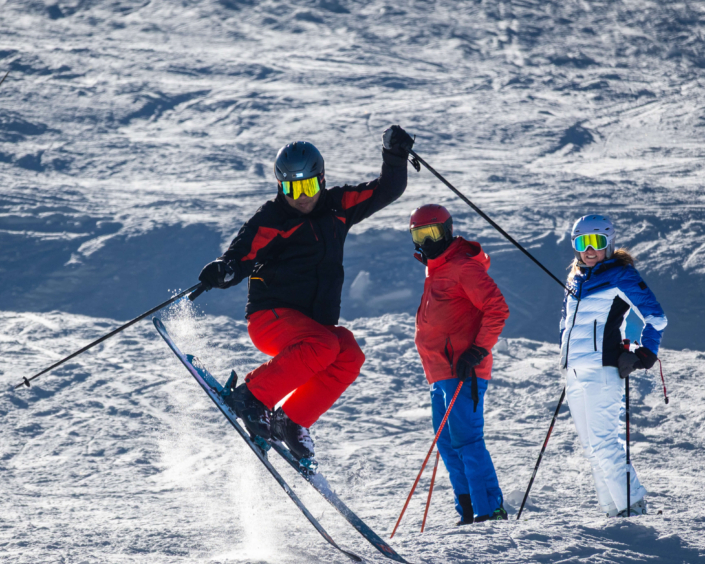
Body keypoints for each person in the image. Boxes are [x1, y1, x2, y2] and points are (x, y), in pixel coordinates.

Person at [197, 126, 414, 466]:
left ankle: (291, 420)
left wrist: (396, 155)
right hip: (272, 319)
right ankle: (252, 396)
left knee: (348, 352)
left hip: (313, 329)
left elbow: (387, 189)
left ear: (322, 180)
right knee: (325, 345)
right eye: (291, 188)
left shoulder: (337, 207)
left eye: (308, 186)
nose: (301, 196)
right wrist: (224, 270)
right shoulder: (273, 218)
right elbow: (241, 255)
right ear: (280, 186)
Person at [560, 214, 667, 517]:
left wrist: (644, 355)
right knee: (592, 449)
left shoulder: (620, 275)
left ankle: (632, 506)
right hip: (576, 373)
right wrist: (567, 356)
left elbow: (656, 317)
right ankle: (614, 511)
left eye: (597, 242)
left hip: (603, 371)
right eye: (583, 242)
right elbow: (567, 324)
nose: (590, 249)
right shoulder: (576, 280)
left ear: (609, 243)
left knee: (605, 444)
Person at [411, 204, 510, 524]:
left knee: (467, 440)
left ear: (448, 231)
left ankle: (489, 508)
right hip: (439, 374)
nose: (427, 243)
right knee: (448, 444)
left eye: (433, 234)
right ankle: (468, 509)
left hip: (462, 370)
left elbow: (497, 308)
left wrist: (477, 351)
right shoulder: (436, 269)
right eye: (419, 235)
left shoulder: (462, 267)